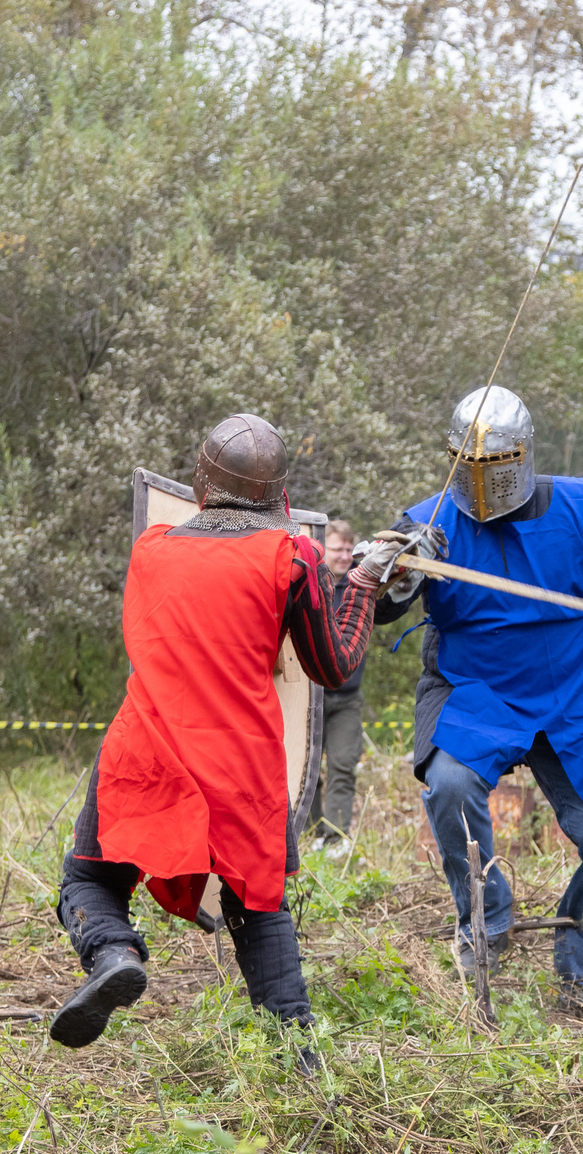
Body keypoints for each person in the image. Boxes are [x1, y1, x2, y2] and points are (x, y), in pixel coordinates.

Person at [371, 385, 583, 1021]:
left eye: (494, 466)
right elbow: (383, 605)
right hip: (477, 690)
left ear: (522, 455)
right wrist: (394, 577)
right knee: (448, 783)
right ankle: (487, 918)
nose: (480, 481)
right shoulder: (427, 525)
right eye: (466, 467)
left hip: (574, 695)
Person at [47, 414, 380, 1052]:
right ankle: (296, 1052)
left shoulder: (153, 547)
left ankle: (113, 952)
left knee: (91, 876)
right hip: (239, 759)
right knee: (258, 906)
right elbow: (332, 665)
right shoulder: (292, 556)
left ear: (203, 479)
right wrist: (361, 585)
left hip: (145, 746)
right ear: (278, 491)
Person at [313, 518, 372, 851]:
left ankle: (335, 838)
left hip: (347, 697)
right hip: (311, 696)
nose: (345, 555)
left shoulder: (359, 584)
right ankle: (309, 835)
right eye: (338, 549)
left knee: (343, 764)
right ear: (324, 550)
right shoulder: (309, 584)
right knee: (306, 769)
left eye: (350, 549)